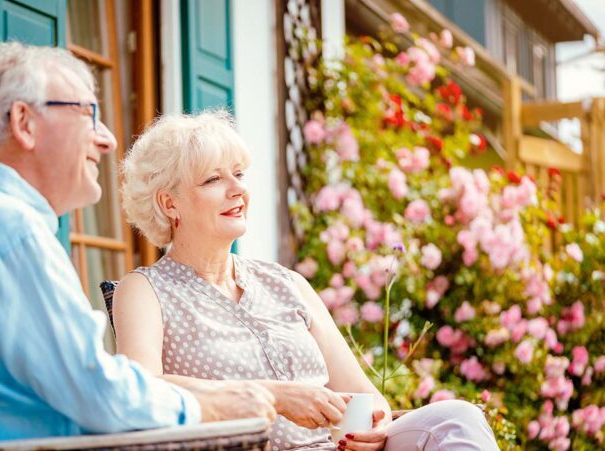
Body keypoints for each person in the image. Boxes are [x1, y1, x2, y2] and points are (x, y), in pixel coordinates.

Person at [0, 43, 276, 442]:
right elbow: (100, 394)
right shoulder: (9, 232)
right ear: (25, 122)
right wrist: (212, 406)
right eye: (89, 113)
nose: (107, 140)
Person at [116, 111, 501, 450]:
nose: (237, 189)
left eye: (238, 174)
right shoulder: (146, 290)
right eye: (214, 179)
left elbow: (368, 399)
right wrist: (274, 396)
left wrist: (374, 428)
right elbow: (141, 387)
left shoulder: (286, 283)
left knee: (457, 418)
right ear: (170, 203)